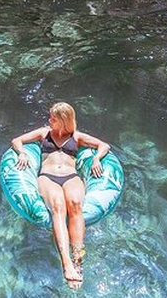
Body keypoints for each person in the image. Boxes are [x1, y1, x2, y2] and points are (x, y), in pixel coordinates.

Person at [10, 102, 110, 289]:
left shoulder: (77, 137)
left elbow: (104, 145)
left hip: (71, 176)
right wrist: (22, 153)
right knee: (58, 206)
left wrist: (96, 159)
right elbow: (17, 140)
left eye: (53, 118)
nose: (49, 120)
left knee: (75, 205)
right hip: (47, 177)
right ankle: (66, 262)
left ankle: (78, 260)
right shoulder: (43, 133)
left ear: (63, 120)